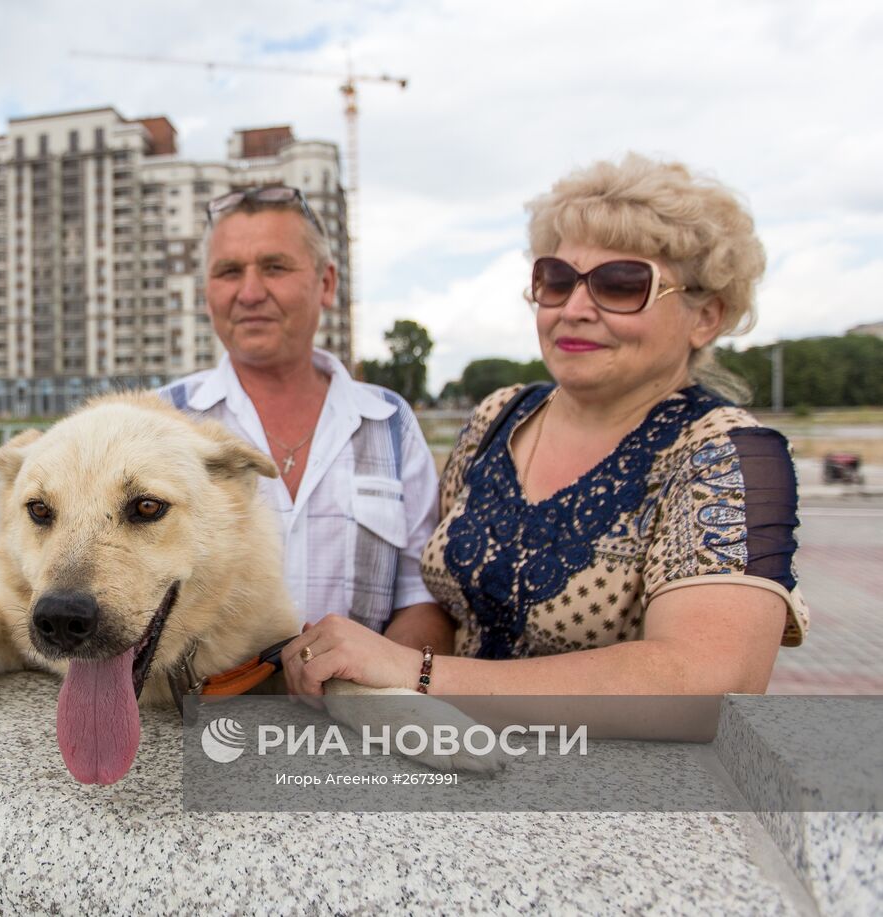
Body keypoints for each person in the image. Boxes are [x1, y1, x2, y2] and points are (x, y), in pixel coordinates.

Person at [284, 154, 809, 697]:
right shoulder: (499, 416)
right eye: (557, 279)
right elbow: (440, 604)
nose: (575, 308)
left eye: (622, 284)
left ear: (706, 317)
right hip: (450, 756)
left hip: (608, 779)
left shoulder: (725, 454)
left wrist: (417, 675)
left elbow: (707, 679)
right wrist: (371, 677)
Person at [161, 185, 448, 650]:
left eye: (274, 267)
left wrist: (369, 687)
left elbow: (421, 600)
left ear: (327, 283)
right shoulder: (158, 421)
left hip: (352, 717)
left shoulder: (389, 423)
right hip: (200, 716)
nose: (250, 293)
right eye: (229, 271)